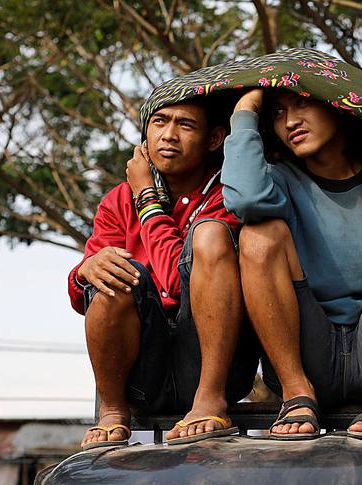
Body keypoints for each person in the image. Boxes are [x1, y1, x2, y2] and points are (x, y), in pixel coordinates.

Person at [222, 88, 362, 440]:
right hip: (305, 359)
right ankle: (295, 395)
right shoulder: (278, 181)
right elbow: (244, 199)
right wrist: (245, 110)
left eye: (303, 102)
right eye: (276, 113)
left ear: (338, 106)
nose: (290, 121)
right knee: (258, 235)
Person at [71, 97, 259, 447]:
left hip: (215, 367)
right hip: (143, 374)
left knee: (210, 233)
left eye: (185, 125)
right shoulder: (117, 199)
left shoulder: (228, 194)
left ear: (214, 139)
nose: (168, 135)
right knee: (114, 272)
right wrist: (86, 270)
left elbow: (176, 281)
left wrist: (146, 197)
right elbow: (83, 296)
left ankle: (209, 401)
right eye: (159, 122)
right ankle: (112, 410)